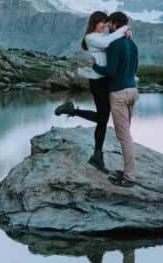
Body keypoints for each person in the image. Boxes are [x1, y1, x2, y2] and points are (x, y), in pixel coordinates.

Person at [54, 10, 130, 173]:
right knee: (102, 118)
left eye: (106, 22)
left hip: (106, 79)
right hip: (97, 81)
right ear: (95, 23)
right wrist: (123, 29)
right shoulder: (91, 38)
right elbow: (108, 43)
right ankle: (73, 112)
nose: (105, 25)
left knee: (102, 119)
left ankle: (97, 155)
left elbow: (113, 43)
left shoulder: (102, 36)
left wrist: (124, 34)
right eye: (102, 22)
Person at [91, 11, 139, 186]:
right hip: (132, 91)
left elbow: (110, 71)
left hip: (118, 93)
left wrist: (96, 67)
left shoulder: (114, 44)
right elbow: (134, 69)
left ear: (114, 24)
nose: (107, 27)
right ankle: (128, 171)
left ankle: (130, 177)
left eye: (109, 24)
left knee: (124, 137)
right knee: (127, 134)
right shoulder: (131, 44)